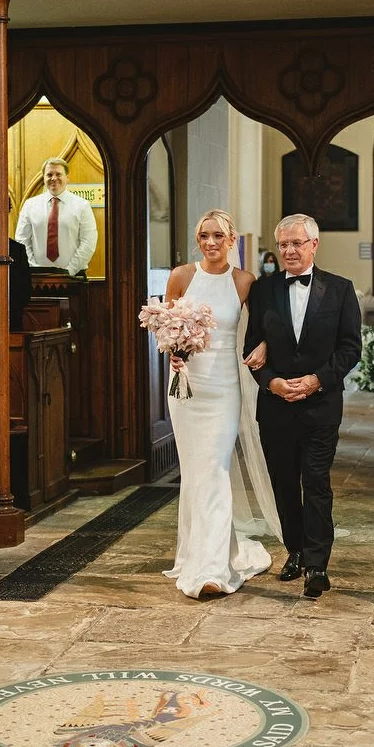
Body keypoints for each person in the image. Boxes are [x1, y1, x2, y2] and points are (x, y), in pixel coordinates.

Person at [244, 213, 363, 599]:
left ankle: (317, 565)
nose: (289, 251)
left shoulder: (340, 289)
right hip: (275, 406)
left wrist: (316, 380)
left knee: (315, 481)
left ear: (314, 245)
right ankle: (294, 550)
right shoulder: (263, 290)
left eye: (297, 243)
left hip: (321, 405)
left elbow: (350, 348)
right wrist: (272, 382)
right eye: (283, 244)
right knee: (283, 483)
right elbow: (251, 346)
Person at [162, 209, 279, 599]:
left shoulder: (244, 281)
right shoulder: (181, 276)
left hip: (225, 387)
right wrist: (172, 353)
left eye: (217, 236)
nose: (210, 242)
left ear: (232, 240)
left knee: (214, 468)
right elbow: (165, 328)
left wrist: (264, 346)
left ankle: (213, 569)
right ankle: (198, 554)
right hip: (187, 387)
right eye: (204, 236)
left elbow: (265, 327)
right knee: (196, 472)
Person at [14, 158, 97, 275]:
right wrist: (33, 268)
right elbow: (22, 241)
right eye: (49, 174)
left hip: (74, 276)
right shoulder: (30, 205)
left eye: (58, 174)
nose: (53, 178)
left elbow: (88, 242)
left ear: (67, 177)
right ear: (43, 178)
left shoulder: (82, 206)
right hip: (36, 277)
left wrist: (69, 271)